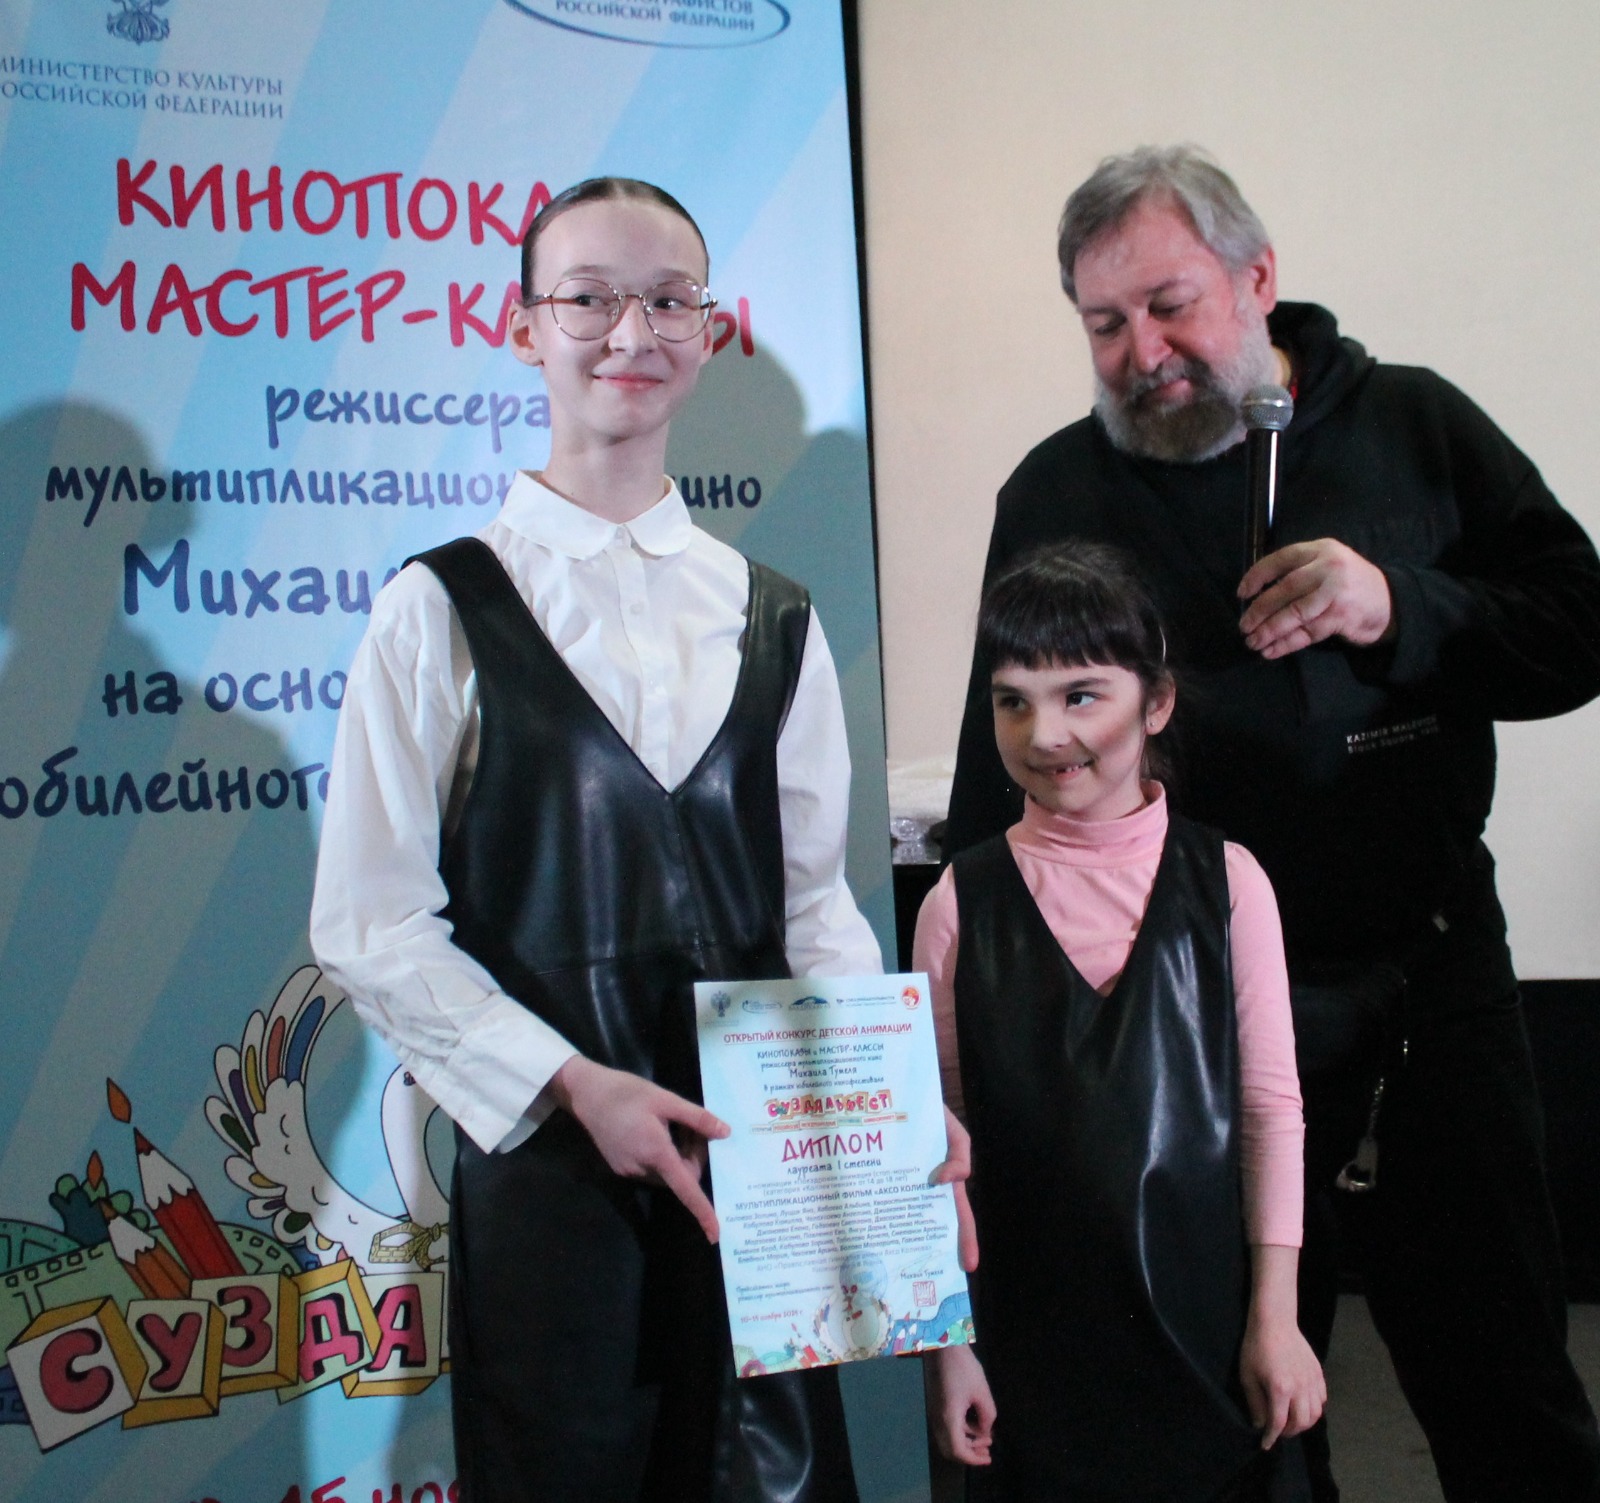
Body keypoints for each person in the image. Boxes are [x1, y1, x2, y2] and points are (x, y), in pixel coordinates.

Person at [945, 145, 1600, 1502]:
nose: (1143, 353)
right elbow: (992, 792)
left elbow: (1577, 631)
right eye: (1104, 323)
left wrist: (1400, 605)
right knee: (1243, 1412)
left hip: (1423, 980)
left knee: (1504, 1376)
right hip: (1179, 1022)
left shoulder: (1413, 425)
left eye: (1170, 304)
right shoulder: (1055, 492)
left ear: (1258, 278)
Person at [310, 177, 884, 1502]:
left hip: (756, 1180)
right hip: (553, 1187)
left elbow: (814, 913)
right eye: (588, 298)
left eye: (667, 300)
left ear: (708, 330)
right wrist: (572, 1083)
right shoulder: (436, 609)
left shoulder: (776, 616)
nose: (631, 331)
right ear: (524, 327)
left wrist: (879, 1111)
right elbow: (370, 921)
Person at [920, 541, 1323, 1500]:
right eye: (1013, 701)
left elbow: (1270, 1112)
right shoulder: (959, 902)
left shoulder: (1229, 883)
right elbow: (933, 1150)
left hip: (1207, 1339)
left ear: (1158, 702)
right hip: (1031, 1358)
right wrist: (948, 1346)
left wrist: (1276, 1317)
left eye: (1081, 695)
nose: (1045, 732)